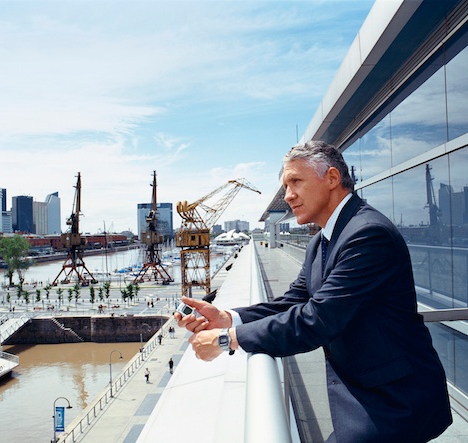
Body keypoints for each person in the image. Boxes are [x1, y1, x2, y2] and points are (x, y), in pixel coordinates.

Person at [176, 141, 452, 442]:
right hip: (365, 396)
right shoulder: (321, 241)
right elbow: (295, 301)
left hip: (395, 402)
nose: (288, 195)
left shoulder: (368, 235)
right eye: (285, 186)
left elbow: (319, 318)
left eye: (296, 182)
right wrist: (227, 318)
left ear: (332, 179)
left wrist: (226, 340)